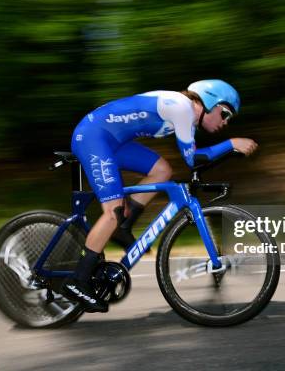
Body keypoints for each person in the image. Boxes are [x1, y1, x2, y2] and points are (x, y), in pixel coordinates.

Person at [62, 79, 258, 312]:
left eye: (229, 119)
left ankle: (123, 227)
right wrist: (231, 144)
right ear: (209, 101)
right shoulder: (182, 107)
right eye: (225, 114)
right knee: (113, 211)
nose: (225, 122)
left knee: (162, 171)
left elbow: (195, 158)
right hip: (93, 136)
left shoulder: (188, 117)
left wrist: (228, 148)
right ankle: (77, 280)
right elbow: (192, 160)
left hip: (112, 141)